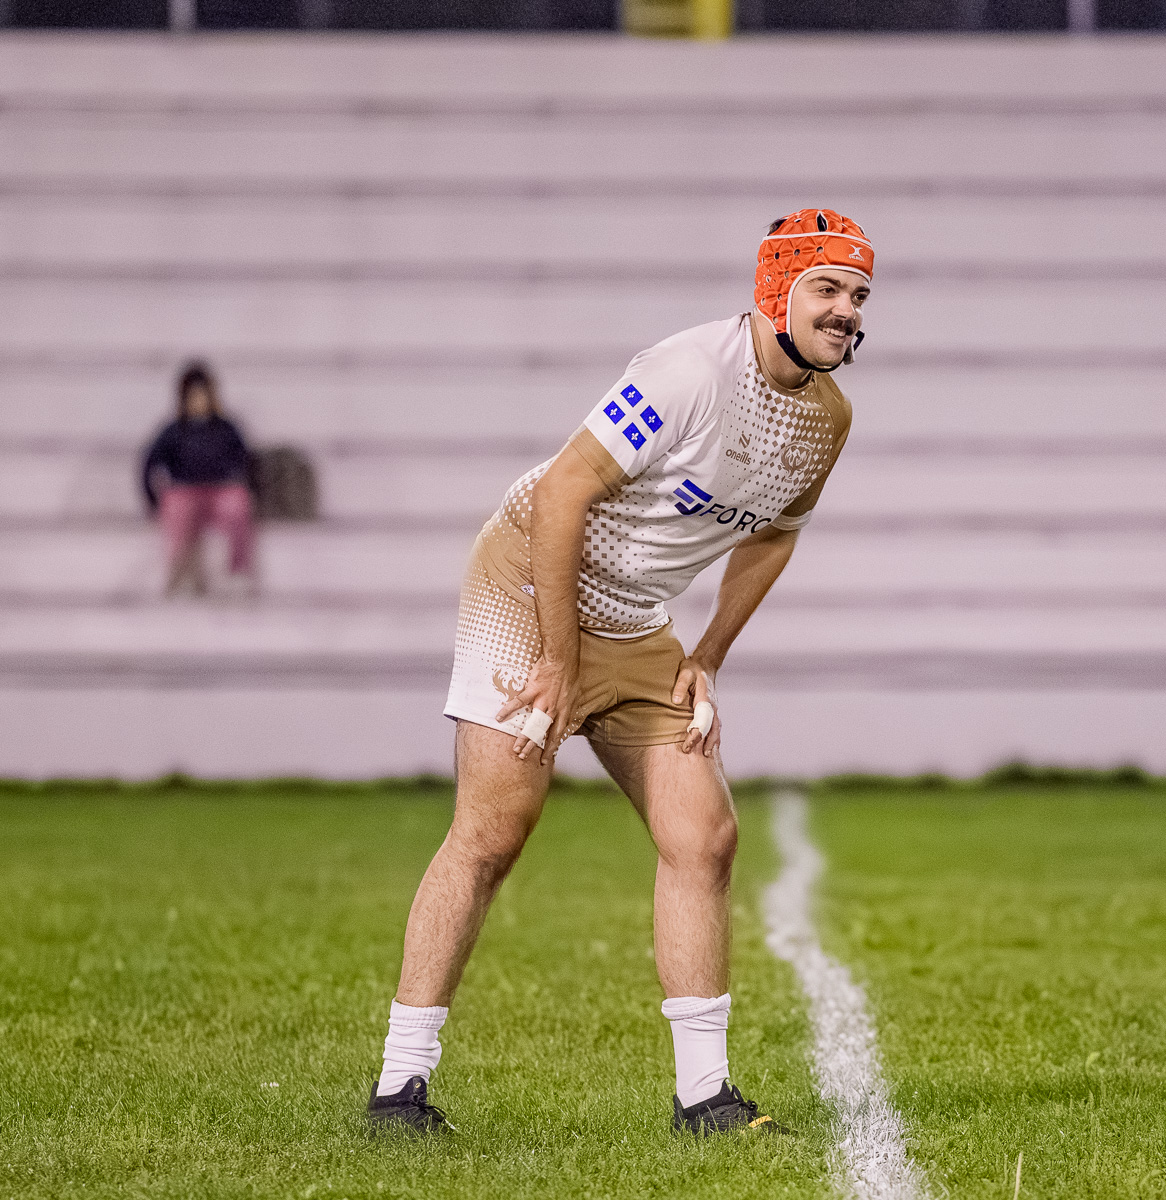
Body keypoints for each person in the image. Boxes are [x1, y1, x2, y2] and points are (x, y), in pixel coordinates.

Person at [366, 210, 873, 1136]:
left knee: (704, 834)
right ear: (776, 289)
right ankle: (398, 1090)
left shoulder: (827, 419)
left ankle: (704, 1099)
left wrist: (707, 655)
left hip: (637, 619)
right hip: (529, 586)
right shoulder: (687, 373)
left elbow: (774, 536)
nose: (847, 312)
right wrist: (558, 659)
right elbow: (563, 492)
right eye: (827, 290)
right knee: (494, 833)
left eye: (859, 297)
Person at [141, 361, 257, 598]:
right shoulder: (173, 431)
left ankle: (237, 571)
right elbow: (149, 464)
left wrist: (249, 488)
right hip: (185, 492)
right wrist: (153, 501)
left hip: (220, 491)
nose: (198, 401)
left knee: (237, 505)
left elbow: (247, 461)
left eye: (202, 395)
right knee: (175, 508)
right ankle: (179, 572)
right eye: (193, 396)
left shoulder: (226, 429)